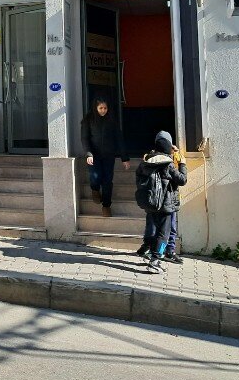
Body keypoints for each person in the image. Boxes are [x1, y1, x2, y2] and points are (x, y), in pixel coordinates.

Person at [135, 130, 187, 273]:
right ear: (168, 146)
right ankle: (155, 261)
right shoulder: (168, 164)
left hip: (151, 203)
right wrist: (182, 163)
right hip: (165, 205)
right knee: (163, 234)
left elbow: (138, 176)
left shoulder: (146, 161)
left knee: (153, 231)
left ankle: (151, 253)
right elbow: (182, 180)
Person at [80, 98, 128, 217]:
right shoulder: (88, 120)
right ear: (95, 108)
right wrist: (89, 154)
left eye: (105, 108)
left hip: (108, 156)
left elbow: (119, 139)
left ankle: (106, 206)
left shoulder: (111, 120)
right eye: (101, 108)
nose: (103, 111)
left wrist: (124, 158)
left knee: (107, 181)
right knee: (95, 177)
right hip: (94, 156)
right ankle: (95, 189)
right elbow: (85, 138)